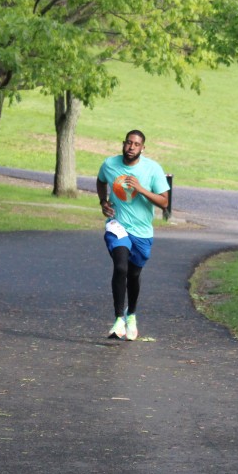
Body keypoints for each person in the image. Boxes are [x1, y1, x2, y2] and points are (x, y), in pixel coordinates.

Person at [97, 130, 170, 341]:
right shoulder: (110, 164)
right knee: (121, 267)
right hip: (117, 225)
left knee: (134, 275)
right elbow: (101, 181)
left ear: (142, 148)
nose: (131, 147)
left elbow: (164, 202)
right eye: (129, 143)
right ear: (123, 143)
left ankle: (132, 315)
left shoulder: (152, 169)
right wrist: (103, 202)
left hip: (142, 231)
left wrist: (140, 189)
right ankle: (119, 319)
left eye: (136, 144)